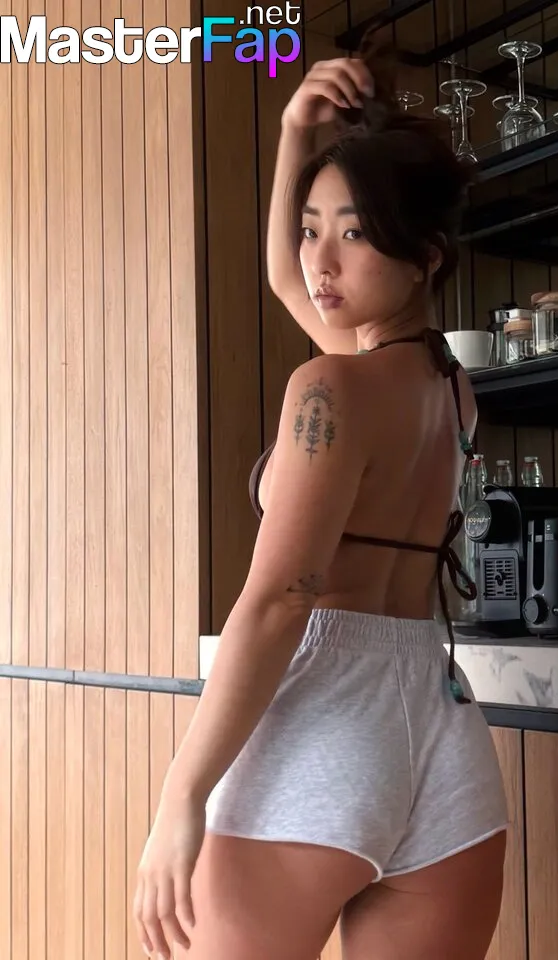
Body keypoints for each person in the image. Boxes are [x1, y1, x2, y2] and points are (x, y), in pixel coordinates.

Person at [133, 30, 508, 960]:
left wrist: (181, 795)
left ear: (424, 255)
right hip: (442, 736)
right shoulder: (451, 391)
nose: (320, 263)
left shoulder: (329, 389)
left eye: (354, 233)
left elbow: (277, 603)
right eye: (313, 229)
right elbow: (283, 277)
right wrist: (294, 135)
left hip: (325, 729)